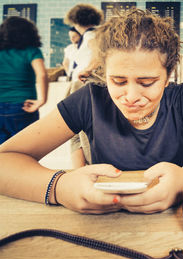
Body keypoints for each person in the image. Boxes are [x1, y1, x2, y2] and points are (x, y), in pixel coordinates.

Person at [0, 8, 183, 214]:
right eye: (117, 81)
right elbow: (5, 162)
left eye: (147, 83)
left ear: (168, 76)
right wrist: (60, 187)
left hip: (174, 225)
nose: (131, 97)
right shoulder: (89, 100)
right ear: (103, 74)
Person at [63, 4, 104, 167]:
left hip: (84, 85)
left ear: (76, 21)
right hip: (81, 84)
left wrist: (87, 70)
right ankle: (80, 170)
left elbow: (98, 55)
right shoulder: (91, 35)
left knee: (79, 131)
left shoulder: (90, 36)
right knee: (76, 131)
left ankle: (82, 169)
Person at [0, 16, 48, 144]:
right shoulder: (32, 51)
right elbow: (42, 74)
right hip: (23, 107)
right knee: (25, 152)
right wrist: (42, 100)